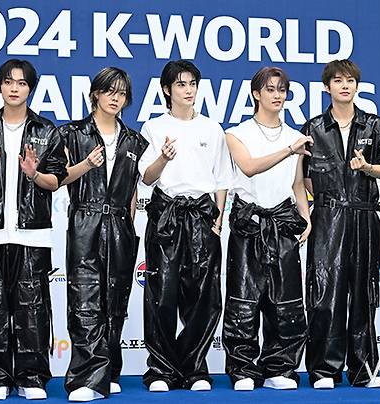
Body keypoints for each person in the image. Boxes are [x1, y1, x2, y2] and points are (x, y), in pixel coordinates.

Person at [0, 59, 67, 401]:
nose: (14, 88)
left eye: (21, 83)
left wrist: (34, 174)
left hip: (32, 233)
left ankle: (31, 377)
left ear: (30, 89)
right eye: (9, 82)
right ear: (0, 85)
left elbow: (56, 181)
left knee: (32, 309)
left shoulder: (47, 131)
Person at [300, 59, 380, 389]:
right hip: (327, 219)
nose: (345, 86)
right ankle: (323, 371)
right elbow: (305, 178)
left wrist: (366, 167)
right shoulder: (312, 129)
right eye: (338, 80)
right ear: (327, 87)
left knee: (363, 295)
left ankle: (363, 370)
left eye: (350, 80)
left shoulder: (376, 126)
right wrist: (326, 200)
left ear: (357, 85)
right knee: (324, 294)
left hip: (364, 217)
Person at [139, 60, 234, 392]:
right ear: (167, 89)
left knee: (203, 297)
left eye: (192, 83)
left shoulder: (212, 128)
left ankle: (194, 368)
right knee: (161, 296)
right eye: (181, 84)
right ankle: (161, 370)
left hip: (202, 216)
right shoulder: (153, 127)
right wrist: (163, 158)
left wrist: (217, 220)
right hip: (166, 215)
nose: (188, 90)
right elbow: (146, 177)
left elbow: (222, 179)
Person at [58, 67, 148, 401]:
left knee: (116, 301)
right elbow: (58, 178)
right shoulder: (72, 133)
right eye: (109, 91)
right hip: (86, 220)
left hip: (120, 225)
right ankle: (86, 379)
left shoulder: (134, 140)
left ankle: (109, 372)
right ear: (95, 93)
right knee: (84, 300)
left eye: (122, 93)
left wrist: (129, 222)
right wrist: (85, 165)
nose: (115, 98)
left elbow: (134, 189)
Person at [222, 66, 313, 391]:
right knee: (243, 301)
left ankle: (280, 368)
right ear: (256, 94)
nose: (277, 96)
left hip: (283, 225)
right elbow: (248, 168)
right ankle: (242, 369)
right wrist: (290, 150)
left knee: (286, 303)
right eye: (271, 89)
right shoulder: (236, 133)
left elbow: (297, 183)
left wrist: (306, 217)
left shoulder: (295, 137)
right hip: (248, 226)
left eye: (282, 90)